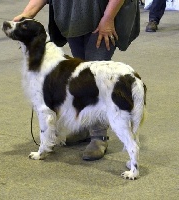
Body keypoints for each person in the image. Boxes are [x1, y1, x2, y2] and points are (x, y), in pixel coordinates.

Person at [14, 0, 140, 161]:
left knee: (96, 81)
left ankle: (98, 137)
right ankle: (82, 127)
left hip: (104, 15)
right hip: (73, 19)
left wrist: (108, 18)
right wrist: (28, 13)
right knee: (79, 80)